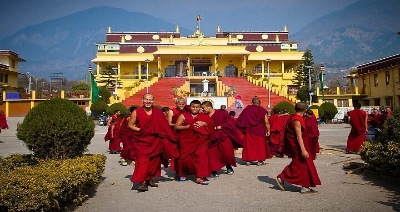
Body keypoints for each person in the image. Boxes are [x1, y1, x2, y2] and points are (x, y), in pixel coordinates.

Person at [128, 94, 178, 192]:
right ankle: (142, 182)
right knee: (142, 161)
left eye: (150, 100)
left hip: (155, 141)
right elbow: (130, 125)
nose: (148, 101)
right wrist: (140, 130)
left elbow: (164, 127)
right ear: (142, 100)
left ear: (153, 101)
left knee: (154, 162)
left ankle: (149, 179)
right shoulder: (136, 112)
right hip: (142, 141)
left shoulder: (158, 113)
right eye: (146, 99)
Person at [276, 102, 321, 194]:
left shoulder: (295, 117)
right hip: (297, 145)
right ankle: (282, 176)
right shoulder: (296, 119)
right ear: (305, 110)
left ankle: (305, 186)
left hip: (299, 144)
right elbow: (298, 136)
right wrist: (303, 150)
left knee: (303, 165)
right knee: (299, 163)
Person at [174, 100, 214, 185]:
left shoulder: (204, 116)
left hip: (201, 141)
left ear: (200, 108)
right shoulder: (183, 115)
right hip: (187, 140)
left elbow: (211, 125)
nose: (195, 109)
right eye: (193, 107)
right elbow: (176, 127)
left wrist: (204, 123)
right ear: (190, 106)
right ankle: (182, 172)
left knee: (201, 157)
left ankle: (199, 176)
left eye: (197, 107)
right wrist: (188, 126)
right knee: (185, 159)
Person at [201, 101, 242, 177]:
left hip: (223, 136)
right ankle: (214, 169)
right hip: (211, 137)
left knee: (227, 153)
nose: (203, 110)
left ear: (209, 106)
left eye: (203, 108)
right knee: (212, 154)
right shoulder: (204, 116)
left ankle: (228, 166)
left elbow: (230, 122)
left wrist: (220, 127)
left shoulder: (221, 113)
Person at [236, 96, 272, 166]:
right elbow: (266, 122)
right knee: (260, 146)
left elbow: (240, 120)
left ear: (252, 103)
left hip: (249, 130)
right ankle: (260, 160)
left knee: (249, 146)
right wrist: (268, 130)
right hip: (260, 131)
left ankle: (248, 160)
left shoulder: (247, 110)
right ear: (260, 103)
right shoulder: (262, 110)